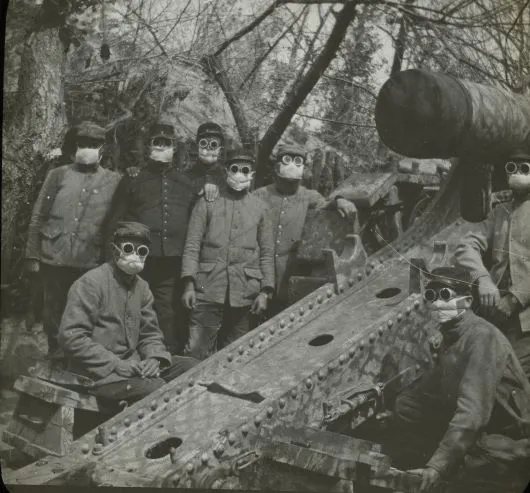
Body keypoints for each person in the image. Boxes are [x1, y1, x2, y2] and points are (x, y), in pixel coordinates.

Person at [386, 266, 530, 493]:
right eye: (431, 296)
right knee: (406, 406)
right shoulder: (452, 334)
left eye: (446, 295)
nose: (438, 304)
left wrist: (437, 467)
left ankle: (442, 472)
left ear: (468, 301)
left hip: (506, 436)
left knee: (467, 477)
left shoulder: (482, 338)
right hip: (482, 423)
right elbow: (428, 387)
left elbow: (472, 413)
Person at [106, 119, 223, 354]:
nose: (162, 148)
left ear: (174, 148)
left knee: (167, 311)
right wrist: (110, 258)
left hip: (171, 260)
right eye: (157, 143)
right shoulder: (133, 179)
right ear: (149, 146)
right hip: (138, 258)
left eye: (166, 143)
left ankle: (163, 354)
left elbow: (199, 219)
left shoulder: (185, 181)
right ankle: (127, 352)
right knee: (130, 305)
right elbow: (114, 221)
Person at [58, 222, 197, 407]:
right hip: (97, 374)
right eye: (129, 248)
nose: (135, 254)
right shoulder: (91, 283)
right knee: (156, 388)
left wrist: (154, 358)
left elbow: (150, 334)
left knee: (193, 368)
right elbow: (71, 337)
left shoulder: (142, 288)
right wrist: (116, 364)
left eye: (142, 251)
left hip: (134, 367)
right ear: (114, 251)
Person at [25, 121, 121, 355]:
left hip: (90, 260)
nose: (87, 148)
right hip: (55, 256)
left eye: (94, 144)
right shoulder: (57, 175)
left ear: (103, 149)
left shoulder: (114, 180)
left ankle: (77, 360)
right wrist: (32, 254)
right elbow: (39, 216)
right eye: (83, 144)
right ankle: (54, 356)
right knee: (53, 313)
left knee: (84, 313)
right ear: (75, 146)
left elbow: (117, 222)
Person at [181, 149, 274, 360]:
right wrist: (188, 284)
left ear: (251, 174)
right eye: (234, 169)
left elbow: (267, 253)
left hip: (245, 292)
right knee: (196, 352)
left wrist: (265, 292)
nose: (239, 174)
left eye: (245, 170)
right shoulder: (207, 202)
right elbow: (192, 245)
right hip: (208, 288)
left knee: (237, 355)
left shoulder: (261, 208)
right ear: (226, 172)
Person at [253, 143, 357, 315]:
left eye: (298, 161)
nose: (292, 165)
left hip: (290, 272)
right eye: (287, 160)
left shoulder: (308, 196)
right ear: (277, 165)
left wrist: (340, 200)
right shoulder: (259, 195)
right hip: (259, 272)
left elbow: (326, 203)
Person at [454, 148, 530, 379]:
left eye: (524, 168)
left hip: (525, 318)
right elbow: (467, 245)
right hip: (497, 312)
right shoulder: (500, 211)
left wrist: (515, 299)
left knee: (503, 376)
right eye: (511, 168)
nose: (516, 173)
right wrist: (483, 278)